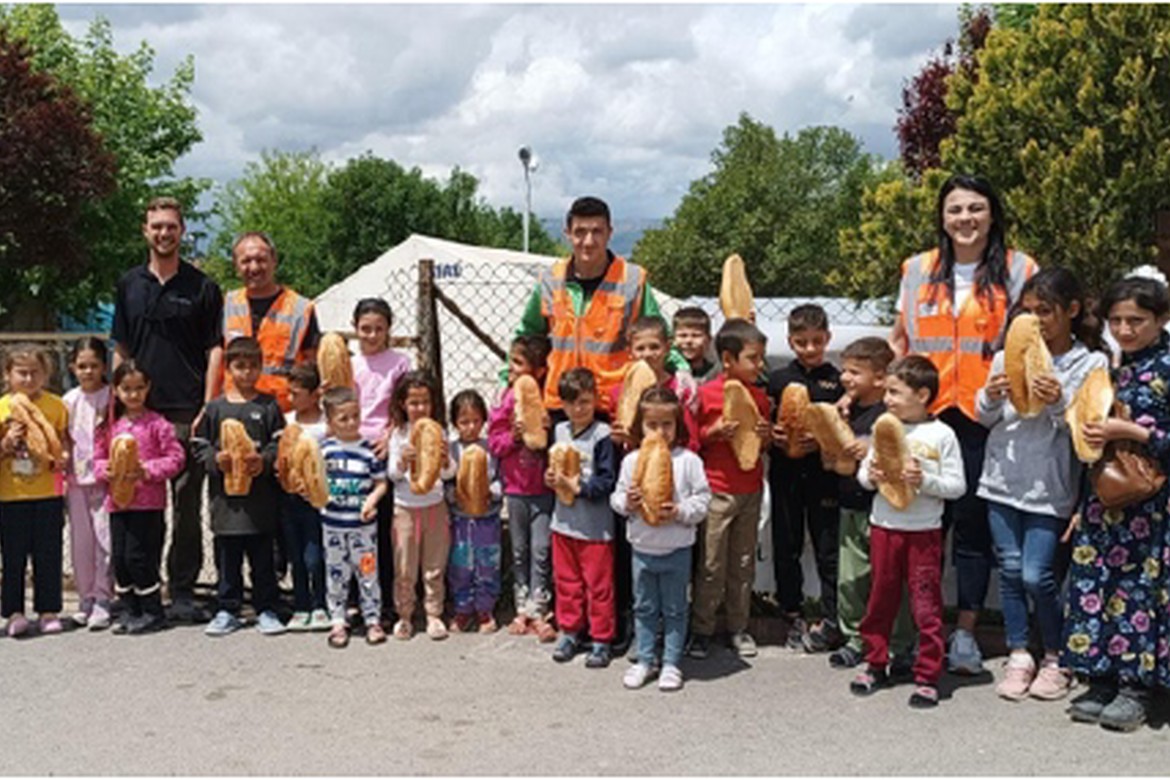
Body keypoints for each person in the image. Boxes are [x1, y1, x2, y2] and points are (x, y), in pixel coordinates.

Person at [889, 174, 1039, 674]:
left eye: (976, 208)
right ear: (942, 217)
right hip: (926, 418)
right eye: (955, 210)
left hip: (984, 419)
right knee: (921, 525)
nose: (965, 219)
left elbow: (1031, 344)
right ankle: (917, 631)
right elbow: (900, 341)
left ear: (992, 213)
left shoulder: (1019, 270)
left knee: (972, 530)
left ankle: (965, 635)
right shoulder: (916, 270)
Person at [977, 268, 1108, 702]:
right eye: (1028, 311)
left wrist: (1056, 403)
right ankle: (1020, 652)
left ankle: (1056, 654)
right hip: (1000, 479)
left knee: (1038, 575)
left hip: (1050, 485)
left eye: (1045, 312)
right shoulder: (1004, 356)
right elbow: (985, 418)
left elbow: (1084, 430)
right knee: (1010, 571)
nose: (1035, 321)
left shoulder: (1090, 362)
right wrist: (992, 396)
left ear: (1072, 311)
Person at [1062, 275, 1170, 731]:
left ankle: (1135, 688)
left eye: (1137, 321)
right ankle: (1101, 678)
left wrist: (1133, 432)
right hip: (1104, 503)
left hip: (1151, 508)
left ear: (1162, 318)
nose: (1126, 329)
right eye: (1117, 320)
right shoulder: (1114, 366)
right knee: (1097, 586)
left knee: (1137, 592)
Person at [112, 196, 224, 623]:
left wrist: (207, 405)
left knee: (186, 508)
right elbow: (121, 347)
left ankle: (182, 590)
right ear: (146, 231)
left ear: (182, 231)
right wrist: (120, 409)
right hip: (140, 416)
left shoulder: (202, 287)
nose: (164, 233)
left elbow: (216, 348)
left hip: (186, 413)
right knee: (137, 506)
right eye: (156, 226)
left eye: (171, 227)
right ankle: (141, 590)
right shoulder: (129, 285)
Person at [852, 356, 966, 708]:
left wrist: (925, 480)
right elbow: (862, 475)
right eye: (887, 392)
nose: (888, 399)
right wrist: (872, 477)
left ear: (922, 394)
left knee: (925, 604)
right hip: (885, 528)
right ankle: (875, 662)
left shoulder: (942, 434)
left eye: (895, 393)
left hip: (923, 533)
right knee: (880, 599)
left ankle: (928, 674)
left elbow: (957, 486)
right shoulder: (884, 428)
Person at [513, 196, 690, 417]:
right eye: (580, 232)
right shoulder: (550, 281)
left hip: (614, 405)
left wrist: (680, 368)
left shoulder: (632, 280)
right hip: (562, 403)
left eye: (597, 231)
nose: (588, 241)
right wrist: (507, 379)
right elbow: (526, 336)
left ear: (609, 233)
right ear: (567, 233)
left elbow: (658, 333)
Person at [612, 387, 711, 692]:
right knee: (644, 608)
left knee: (675, 609)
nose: (659, 431)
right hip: (641, 547)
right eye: (651, 425)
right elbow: (616, 498)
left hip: (677, 548)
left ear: (678, 425)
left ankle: (671, 662)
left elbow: (704, 500)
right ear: (639, 426)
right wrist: (628, 503)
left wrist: (680, 511)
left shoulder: (689, 461)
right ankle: (644, 659)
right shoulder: (632, 461)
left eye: (666, 424)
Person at [689, 319, 772, 659]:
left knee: (742, 563)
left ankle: (738, 627)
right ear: (728, 358)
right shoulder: (706, 394)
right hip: (716, 490)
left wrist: (766, 436)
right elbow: (692, 442)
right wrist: (713, 433)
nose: (760, 365)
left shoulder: (760, 397)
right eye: (752, 358)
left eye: (761, 358)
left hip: (750, 490)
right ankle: (702, 629)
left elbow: (761, 447)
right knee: (710, 564)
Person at [192, 337, 286, 637]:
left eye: (252, 366)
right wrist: (213, 459)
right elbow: (198, 445)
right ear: (229, 369)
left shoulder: (268, 405)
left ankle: (266, 608)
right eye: (240, 366)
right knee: (227, 559)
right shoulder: (215, 408)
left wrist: (266, 459)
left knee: (262, 559)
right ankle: (227, 608)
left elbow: (280, 442)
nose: (246, 373)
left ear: (261, 368)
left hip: (260, 502)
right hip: (225, 503)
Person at [830, 337, 914, 670]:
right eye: (844, 371)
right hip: (850, 504)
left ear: (880, 377)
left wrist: (870, 452)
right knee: (851, 579)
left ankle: (899, 642)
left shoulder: (892, 416)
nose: (846, 378)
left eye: (854, 372)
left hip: (886, 510)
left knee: (890, 580)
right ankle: (855, 638)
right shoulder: (845, 411)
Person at [769, 303, 846, 651]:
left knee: (828, 547)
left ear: (828, 338)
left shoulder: (839, 380)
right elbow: (766, 423)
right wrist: (774, 435)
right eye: (801, 342)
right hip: (785, 473)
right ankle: (791, 613)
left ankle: (833, 616)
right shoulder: (779, 379)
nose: (810, 349)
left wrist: (823, 438)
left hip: (824, 476)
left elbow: (846, 428)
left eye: (817, 341)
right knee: (787, 544)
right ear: (790, 342)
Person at [93, 360, 186, 634]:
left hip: (147, 503)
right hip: (118, 503)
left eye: (139, 388)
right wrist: (105, 470)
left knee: (139, 557)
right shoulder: (110, 425)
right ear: (116, 390)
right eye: (126, 389)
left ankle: (153, 611)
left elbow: (176, 458)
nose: (133, 395)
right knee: (120, 558)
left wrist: (146, 470)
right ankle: (130, 609)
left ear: (148, 389)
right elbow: (97, 458)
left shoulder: (157, 424)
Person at [546, 368, 619, 668]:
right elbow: (553, 471)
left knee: (598, 585)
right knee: (567, 582)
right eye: (573, 403)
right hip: (562, 523)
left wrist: (581, 488)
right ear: (563, 405)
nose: (580, 409)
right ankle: (570, 630)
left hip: (595, 528)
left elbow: (608, 481)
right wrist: (551, 479)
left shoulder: (602, 435)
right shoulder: (560, 431)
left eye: (586, 402)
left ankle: (601, 638)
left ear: (595, 401)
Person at [487, 335, 556, 640]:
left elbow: (558, 447)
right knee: (519, 551)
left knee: (541, 550)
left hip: (543, 490)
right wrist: (513, 438)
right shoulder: (505, 399)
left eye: (518, 363)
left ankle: (539, 609)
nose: (511, 369)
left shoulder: (546, 401)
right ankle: (521, 609)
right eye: (511, 361)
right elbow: (494, 443)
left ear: (539, 371)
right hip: (515, 489)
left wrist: (547, 432)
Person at [0, 344, 69, 637]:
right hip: (10, 494)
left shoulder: (56, 406)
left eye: (35, 373)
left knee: (48, 554)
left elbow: (63, 441)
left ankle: (48, 609)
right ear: (8, 375)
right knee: (12, 556)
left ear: (45, 375)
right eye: (22, 373)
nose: (28, 380)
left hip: (47, 493)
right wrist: (5, 444)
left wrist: (61, 457)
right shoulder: (3, 406)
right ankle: (14, 612)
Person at [350, 298, 411, 625]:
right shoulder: (349, 364)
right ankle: (356, 598)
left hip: (384, 450)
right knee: (354, 529)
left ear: (389, 329)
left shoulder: (400, 362)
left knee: (382, 530)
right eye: (365, 329)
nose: (372, 335)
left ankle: (385, 601)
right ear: (355, 328)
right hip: (353, 449)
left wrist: (391, 436)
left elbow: (403, 406)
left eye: (378, 329)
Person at [386, 370, 456, 641]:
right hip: (404, 508)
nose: (419, 409)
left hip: (434, 506)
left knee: (434, 564)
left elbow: (450, 475)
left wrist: (446, 460)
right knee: (404, 566)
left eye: (425, 402)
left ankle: (433, 613)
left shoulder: (439, 432)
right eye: (414, 403)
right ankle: (404, 615)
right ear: (403, 404)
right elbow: (392, 474)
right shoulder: (399, 434)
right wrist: (403, 462)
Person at [217, 231, 320, 413]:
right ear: (236, 266)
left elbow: (313, 365)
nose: (254, 267)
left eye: (261, 259)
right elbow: (216, 359)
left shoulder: (300, 308)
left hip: (283, 412)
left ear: (274, 261)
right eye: (246, 261)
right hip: (234, 410)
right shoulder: (227, 304)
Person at [319, 386, 389, 648]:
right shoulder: (324, 451)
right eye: (343, 418)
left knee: (368, 573)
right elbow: (315, 482)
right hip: (333, 526)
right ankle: (338, 620)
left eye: (355, 416)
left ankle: (372, 619)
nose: (351, 423)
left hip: (363, 528)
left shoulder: (368, 450)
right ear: (330, 421)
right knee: (336, 575)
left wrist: (372, 500)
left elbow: (381, 484)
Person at [63, 337, 114, 629]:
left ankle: (103, 597)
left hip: (104, 480)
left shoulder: (111, 397)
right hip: (76, 480)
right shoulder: (68, 400)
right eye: (82, 366)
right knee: (81, 542)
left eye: (94, 365)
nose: (88, 372)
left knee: (104, 539)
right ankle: (86, 597)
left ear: (103, 366)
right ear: (73, 367)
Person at [445, 389, 503, 633]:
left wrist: (494, 491)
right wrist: (453, 495)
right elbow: (446, 482)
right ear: (455, 423)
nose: (470, 427)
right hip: (460, 518)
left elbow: (501, 479)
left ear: (484, 420)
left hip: (487, 518)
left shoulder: (491, 448)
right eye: (464, 422)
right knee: (460, 565)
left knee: (488, 564)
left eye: (476, 421)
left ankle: (485, 608)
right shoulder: (451, 449)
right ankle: (462, 608)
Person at [280, 363, 330, 632]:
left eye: (297, 393)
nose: (291, 399)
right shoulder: (286, 422)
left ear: (314, 395)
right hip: (291, 501)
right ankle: (300, 605)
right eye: (289, 393)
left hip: (317, 501)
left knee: (315, 555)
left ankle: (320, 604)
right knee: (296, 555)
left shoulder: (326, 425)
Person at [672, 307, 719, 384]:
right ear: (673, 339)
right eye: (683, 335)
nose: (689, 341)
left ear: (708, 339)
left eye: (696, 335)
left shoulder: (715, 373)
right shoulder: (666, 373)